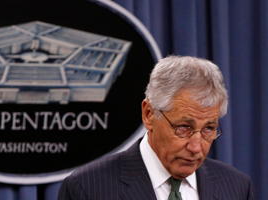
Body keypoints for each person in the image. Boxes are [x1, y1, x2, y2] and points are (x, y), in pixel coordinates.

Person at [57, 55, 255, 200]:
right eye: (184, 127)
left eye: (208, 129)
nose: (196, 147)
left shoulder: (237, 188)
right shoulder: (87, 189)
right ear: (149, 114)